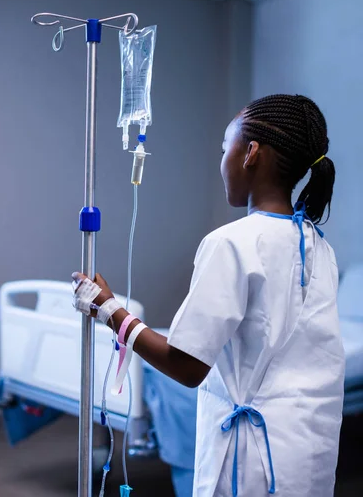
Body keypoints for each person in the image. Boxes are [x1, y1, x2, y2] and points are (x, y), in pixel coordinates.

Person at [73, 94, 345, 497]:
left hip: (253, 463)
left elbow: (187, 365)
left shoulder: (232, 243)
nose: (221, 161)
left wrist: (109, 310)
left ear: (250, 153)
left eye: (225, 148)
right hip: (307, 453)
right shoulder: (319, 247)